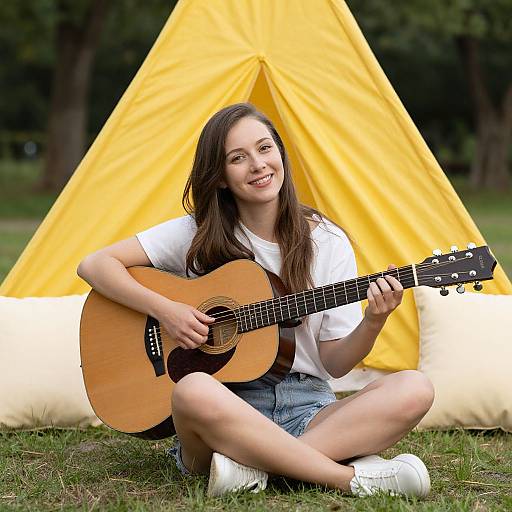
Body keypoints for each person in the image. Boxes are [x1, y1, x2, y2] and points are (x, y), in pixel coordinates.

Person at [77, 103, 434, 498]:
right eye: (238, 158)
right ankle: (346, 479)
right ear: (222, 177)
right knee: (191, 389)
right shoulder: (198, 232)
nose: (258, 165)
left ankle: (250, 468)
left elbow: (334, 363)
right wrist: (168, 311)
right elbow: (95, 265)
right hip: (224, 412)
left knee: (415, 388)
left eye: (265, 149)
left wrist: (374, 322)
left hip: (310, 409)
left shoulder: (327, 240)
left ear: (280, 153)